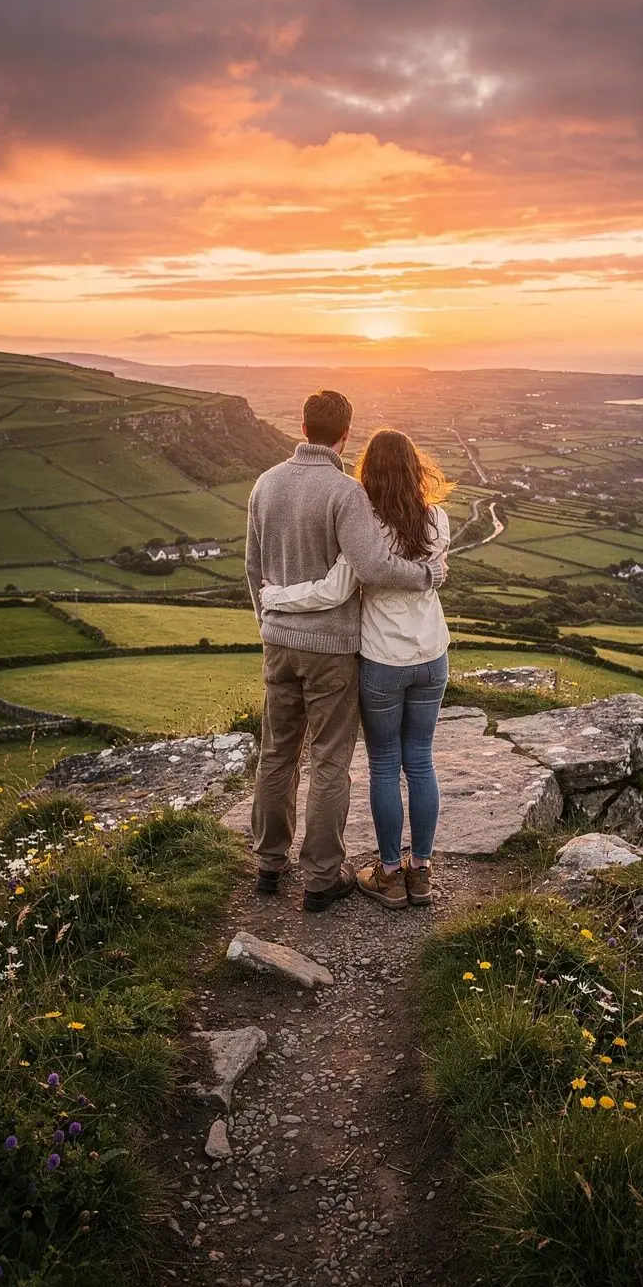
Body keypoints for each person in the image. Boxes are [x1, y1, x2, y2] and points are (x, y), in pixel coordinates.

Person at [245, 392, 446, 914]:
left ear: (303, 425)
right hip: (332, 649)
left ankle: (269, 864)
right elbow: (371, 568)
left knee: (276, 754)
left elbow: (251, 567)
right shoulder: (345, 493)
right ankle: (319, 878)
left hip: (279, 643)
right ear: (344, 434)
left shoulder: (265, 484)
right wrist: (427, 575)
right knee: (330, 762)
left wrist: (269, 620)